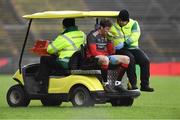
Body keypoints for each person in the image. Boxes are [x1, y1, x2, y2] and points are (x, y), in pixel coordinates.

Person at [35, 18, 86, 93]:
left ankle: (43, 85)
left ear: (64, 26)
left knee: (44, 59)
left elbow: (50, 50)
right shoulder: (82, 34)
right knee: (52, 59)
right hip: (78, 62)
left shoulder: (64, 37)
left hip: (65, 63)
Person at [110, 9, 154, 92]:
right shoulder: (113, 27)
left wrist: (125, 43)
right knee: (131, 59)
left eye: (125, 21)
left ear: (128, 20)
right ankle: (133, 84)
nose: (123, 23)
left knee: (145, 61)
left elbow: (135, 36)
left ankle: (145, 85)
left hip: (132, 47)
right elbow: (109, 37)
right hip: (121, 50)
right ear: (118, 19)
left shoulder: (134, 23)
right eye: (122, 21)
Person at [86, 19, 132, 93]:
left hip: (106, 57)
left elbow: (112, 52)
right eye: (107, 29)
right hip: (92, 58)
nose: (108, 31)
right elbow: (93, 52)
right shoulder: (92, 36)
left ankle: (118, 84)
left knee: (126, 59)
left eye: (109, 29)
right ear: (101, 27)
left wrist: (111, 40)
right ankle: (105, 84)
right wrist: (105, 56)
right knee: (105, 59)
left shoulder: (107, 36)